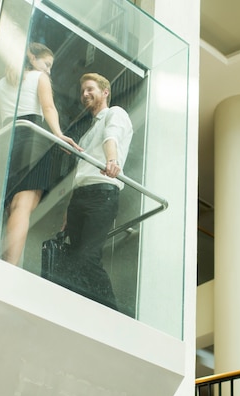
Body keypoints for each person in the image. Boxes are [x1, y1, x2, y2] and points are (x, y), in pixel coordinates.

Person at [0, 42, 80, 265]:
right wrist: (58, 134)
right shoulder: (38, 78)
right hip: (31, 141)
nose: (49, 70)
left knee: (13, 209)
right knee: (22, 207)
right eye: (47, 64)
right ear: (32, 58)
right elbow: (48, 108)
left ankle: (7, 262)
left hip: (6, 145)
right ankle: (9, 267)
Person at [60, 73, 133, 309]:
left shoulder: (115, 114)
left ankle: (112, 315)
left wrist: (112, 161)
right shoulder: (87, 132)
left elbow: (111, 138)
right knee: (73, 262)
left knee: (87, 257)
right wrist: (67, 214)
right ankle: (86, 310)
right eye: (82, 91)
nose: (84, 94)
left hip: (102, 193)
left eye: (90, 89)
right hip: (80, 197)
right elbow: (81, 171)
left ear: (105, 92)